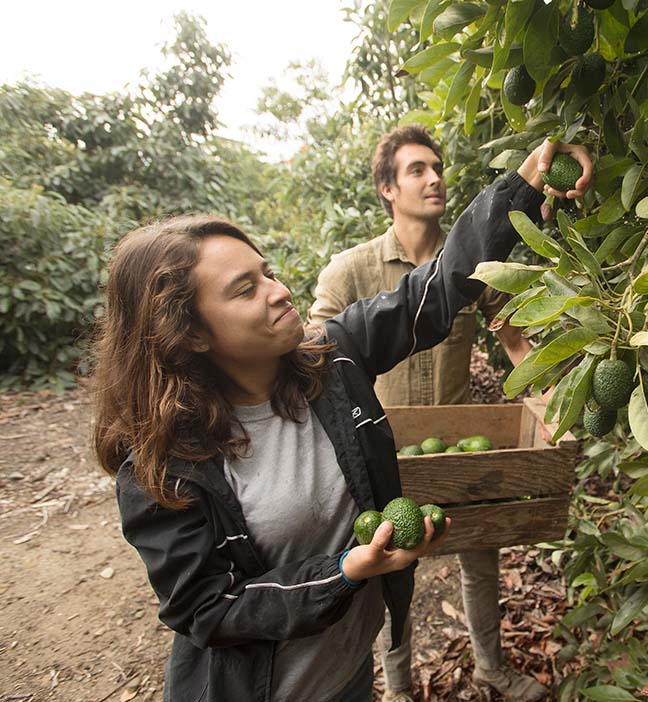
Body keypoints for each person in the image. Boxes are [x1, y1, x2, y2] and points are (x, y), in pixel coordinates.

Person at [91, 139, 593, 702]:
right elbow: (204, 607)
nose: (280, 292)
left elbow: (435, 289)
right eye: (245, 289)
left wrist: (524, 185)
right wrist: (344, 572)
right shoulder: (165, 467)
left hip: (350, 674)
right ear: (191, 334)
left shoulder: (330, 361)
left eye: (269, 272)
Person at [309, 127, 591, 702]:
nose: (434, 178)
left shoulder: (471, 262)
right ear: (388, 188)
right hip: (384, 452)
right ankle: (397, 686)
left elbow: (514, 340)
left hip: (460, 447)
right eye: (416, 170)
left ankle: (490, 664)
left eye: (437, 166)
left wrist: (551, 402)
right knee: (389, 571)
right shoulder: (350, 271)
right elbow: (316, 361)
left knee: (479, 555)